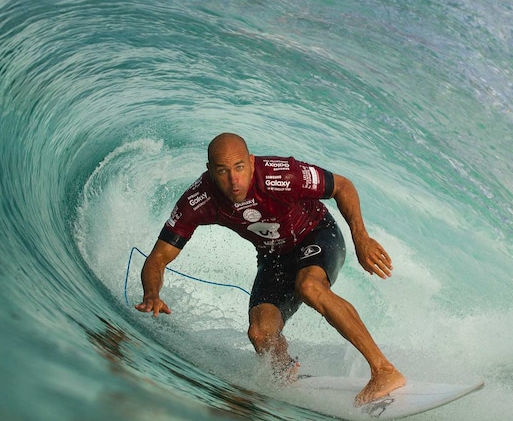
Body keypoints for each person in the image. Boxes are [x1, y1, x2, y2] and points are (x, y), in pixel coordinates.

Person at [136, 132, 406, 405]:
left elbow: (343, 186)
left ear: (252, 162)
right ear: (210, 172)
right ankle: (286, 374)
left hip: (317, 235)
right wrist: (151, 294)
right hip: (274, 257)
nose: (234, 180)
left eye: (240, 168)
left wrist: (361, 237)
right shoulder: (199, 199)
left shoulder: (282, 175)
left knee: (309, 286)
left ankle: (384, 371)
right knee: (260, 333)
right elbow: (158, 258)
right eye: (223, 171)